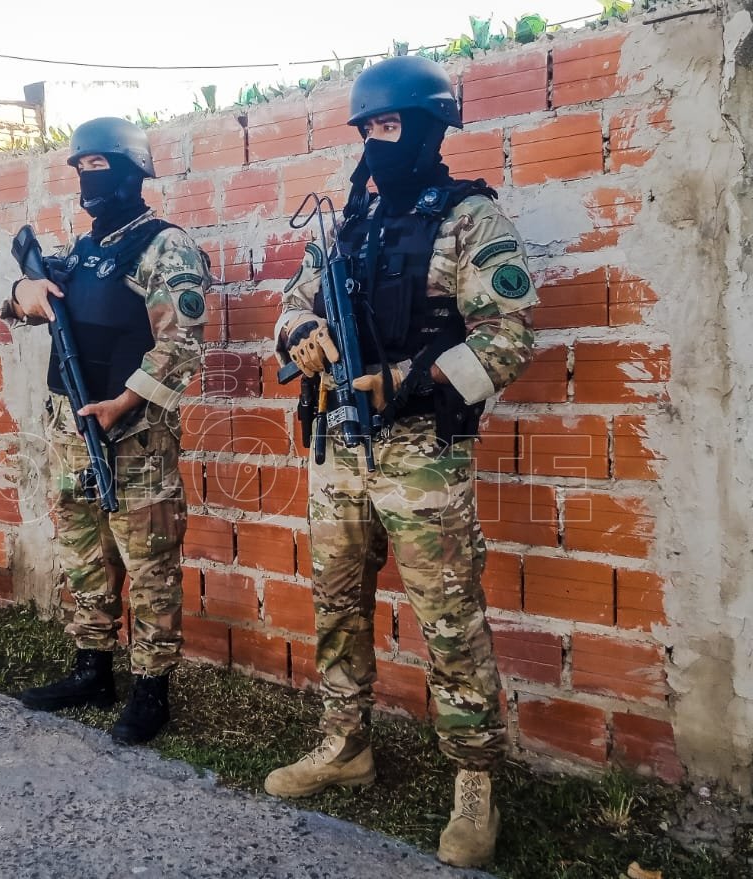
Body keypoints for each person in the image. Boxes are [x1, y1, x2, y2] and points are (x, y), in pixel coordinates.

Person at [263, 55, 539, 868]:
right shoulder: (347, 220)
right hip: (339, 444)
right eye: (369, 128)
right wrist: (300, 334)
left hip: (423, 453)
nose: (379, 141)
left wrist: (412, 380)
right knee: (336, 602)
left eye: (393, 126)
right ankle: (344, 741)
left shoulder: (470, 219)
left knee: (448, 618)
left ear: (427, 129)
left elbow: (509, 337)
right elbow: (291, 304)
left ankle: (475, 776)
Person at [4, 117, 210, 745]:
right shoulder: (82, 250)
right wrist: (23, 290)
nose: (89, 177)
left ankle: (152, 688)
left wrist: (125, 402)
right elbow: (22, 305)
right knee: (84, 552)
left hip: (134, 433)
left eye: (100, 165)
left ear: (132, 170)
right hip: (72, 428)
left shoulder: (165, 247)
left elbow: (182, 346)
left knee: (149, 563)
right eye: (81, 166)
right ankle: (91, 667)